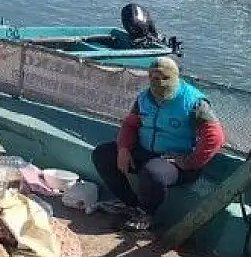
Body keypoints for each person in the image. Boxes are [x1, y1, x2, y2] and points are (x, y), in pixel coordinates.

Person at [91, 57, 226, 231]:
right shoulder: (144, 98)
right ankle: (131, 205)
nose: (159, 82)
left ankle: (147, 213)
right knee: (103, 154)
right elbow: (130, 124)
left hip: (175, 161)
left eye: (165, 78)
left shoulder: (194, 102)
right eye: (154, 78)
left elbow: (215, 137)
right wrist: (123, 148)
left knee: (152, 172)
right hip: (145, 151)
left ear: (175, 77)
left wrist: (191, 162)